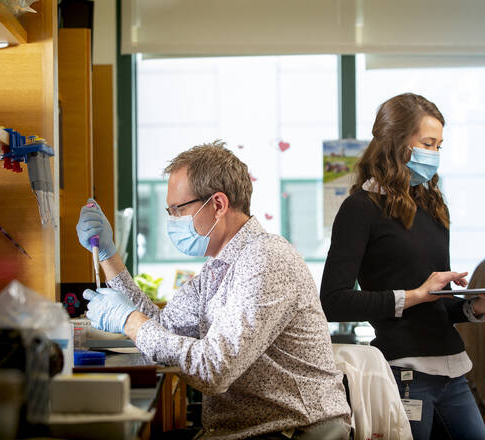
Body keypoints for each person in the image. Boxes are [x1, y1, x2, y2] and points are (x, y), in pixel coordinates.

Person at [77, 141, 351, 439]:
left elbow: (214, 370)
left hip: (293, 431)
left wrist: (128, 320)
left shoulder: (266, 258)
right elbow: (163, 328)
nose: (171, 222)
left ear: (218, 204)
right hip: (248, 430)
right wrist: (109, 257)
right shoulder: (218, 269)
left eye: (177, 210)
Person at [320, 93, 485, 440]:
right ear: (397, 143)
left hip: (454, 368)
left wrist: (472, 308)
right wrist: (412, 295)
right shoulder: (359, 209)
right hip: (404, 374)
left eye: (440, 146)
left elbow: (436, 303)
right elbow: (332, 301)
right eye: (428, 143)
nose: (435, 155)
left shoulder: (433, 207)